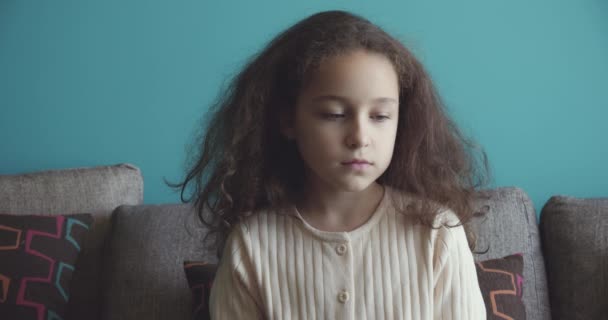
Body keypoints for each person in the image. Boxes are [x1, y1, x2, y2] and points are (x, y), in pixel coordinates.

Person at [172, 9, 490, 320]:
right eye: (334, 114)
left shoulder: (438, 234)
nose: (359, 137)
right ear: (288, 120)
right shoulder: (251, 246)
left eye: (380, 116)